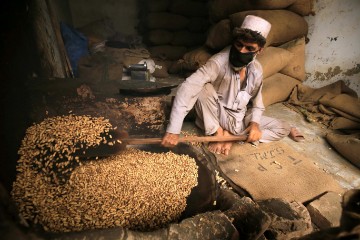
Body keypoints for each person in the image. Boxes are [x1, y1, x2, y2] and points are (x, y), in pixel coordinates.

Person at [161, 15, 301, 155]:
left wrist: (254, 125)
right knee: (203, 87)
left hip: (239, 118)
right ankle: (218, 134)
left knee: (283, 128)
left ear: (259, 50)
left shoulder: (256, 70)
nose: (241, 51)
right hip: (215, 114)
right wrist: (173, 130)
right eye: (239, 44)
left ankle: (231, 137)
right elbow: (188, 86)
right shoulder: (218, 62)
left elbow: (257, 104)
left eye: (249, 48)